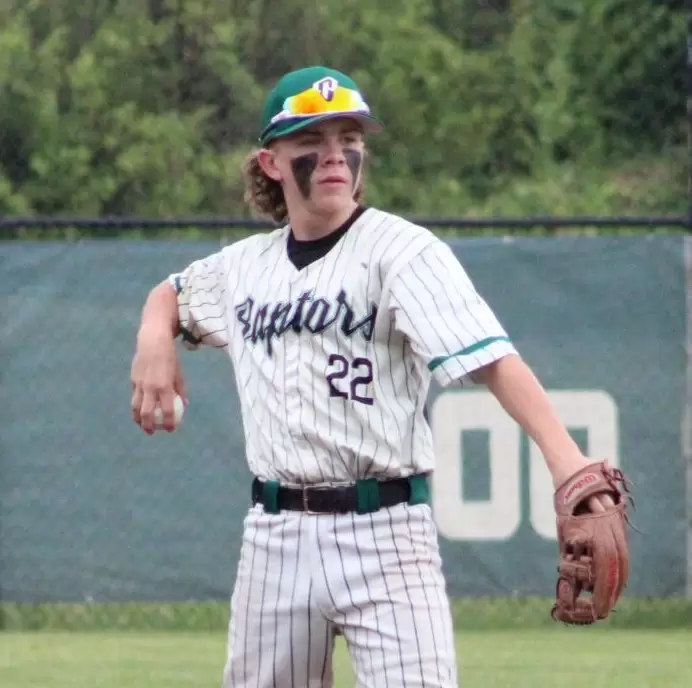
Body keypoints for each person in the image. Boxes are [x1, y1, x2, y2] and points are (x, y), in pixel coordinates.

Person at [130, 65, 612, 688]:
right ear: (272, 162)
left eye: (349, 138)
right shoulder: (242, 268)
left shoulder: (403, 252)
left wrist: (566, 459)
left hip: (386, 530)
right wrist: (154, 333)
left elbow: (490, 359)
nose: (335, 153)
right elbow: (171, 293)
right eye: (312, 139)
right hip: (275, 534)